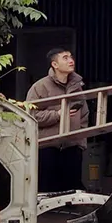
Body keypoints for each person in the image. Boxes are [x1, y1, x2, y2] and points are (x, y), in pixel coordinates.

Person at [27, 47, 88, 193]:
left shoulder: (77, 86)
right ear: (54, 64)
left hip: (72, 145)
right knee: (47, 192)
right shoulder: (40, 86)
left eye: (71, 57)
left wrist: (81, 141)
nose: (71, 61)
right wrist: (58, 114)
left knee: (72, 192)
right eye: (65, 58)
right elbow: (31, 115)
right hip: (47, 146)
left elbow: (84, 114)